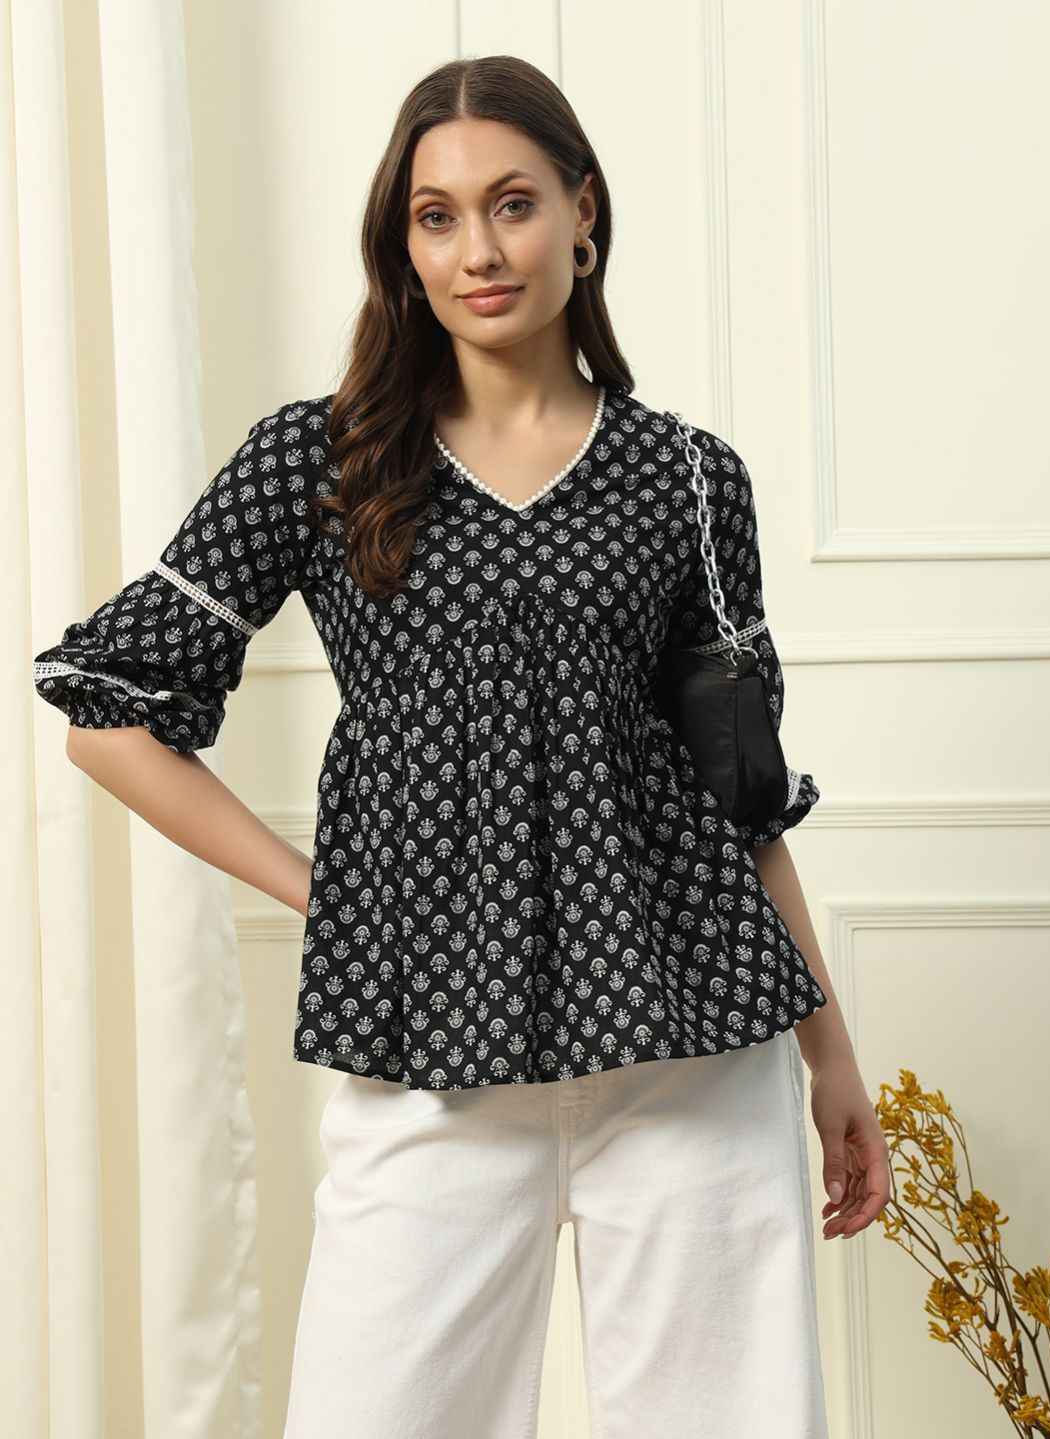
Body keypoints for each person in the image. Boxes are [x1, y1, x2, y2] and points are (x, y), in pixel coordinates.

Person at [32, 53, 890, 1439]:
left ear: (583, 214)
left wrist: (830, 1057)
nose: (479, 250)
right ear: (404, 245)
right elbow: (107, 706)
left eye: (513, 204)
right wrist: (331, 894)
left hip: (690, 1057)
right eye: (437, 216)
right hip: (428, 1051)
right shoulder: (321, 462)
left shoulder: (687, 477)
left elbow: (742, 797)